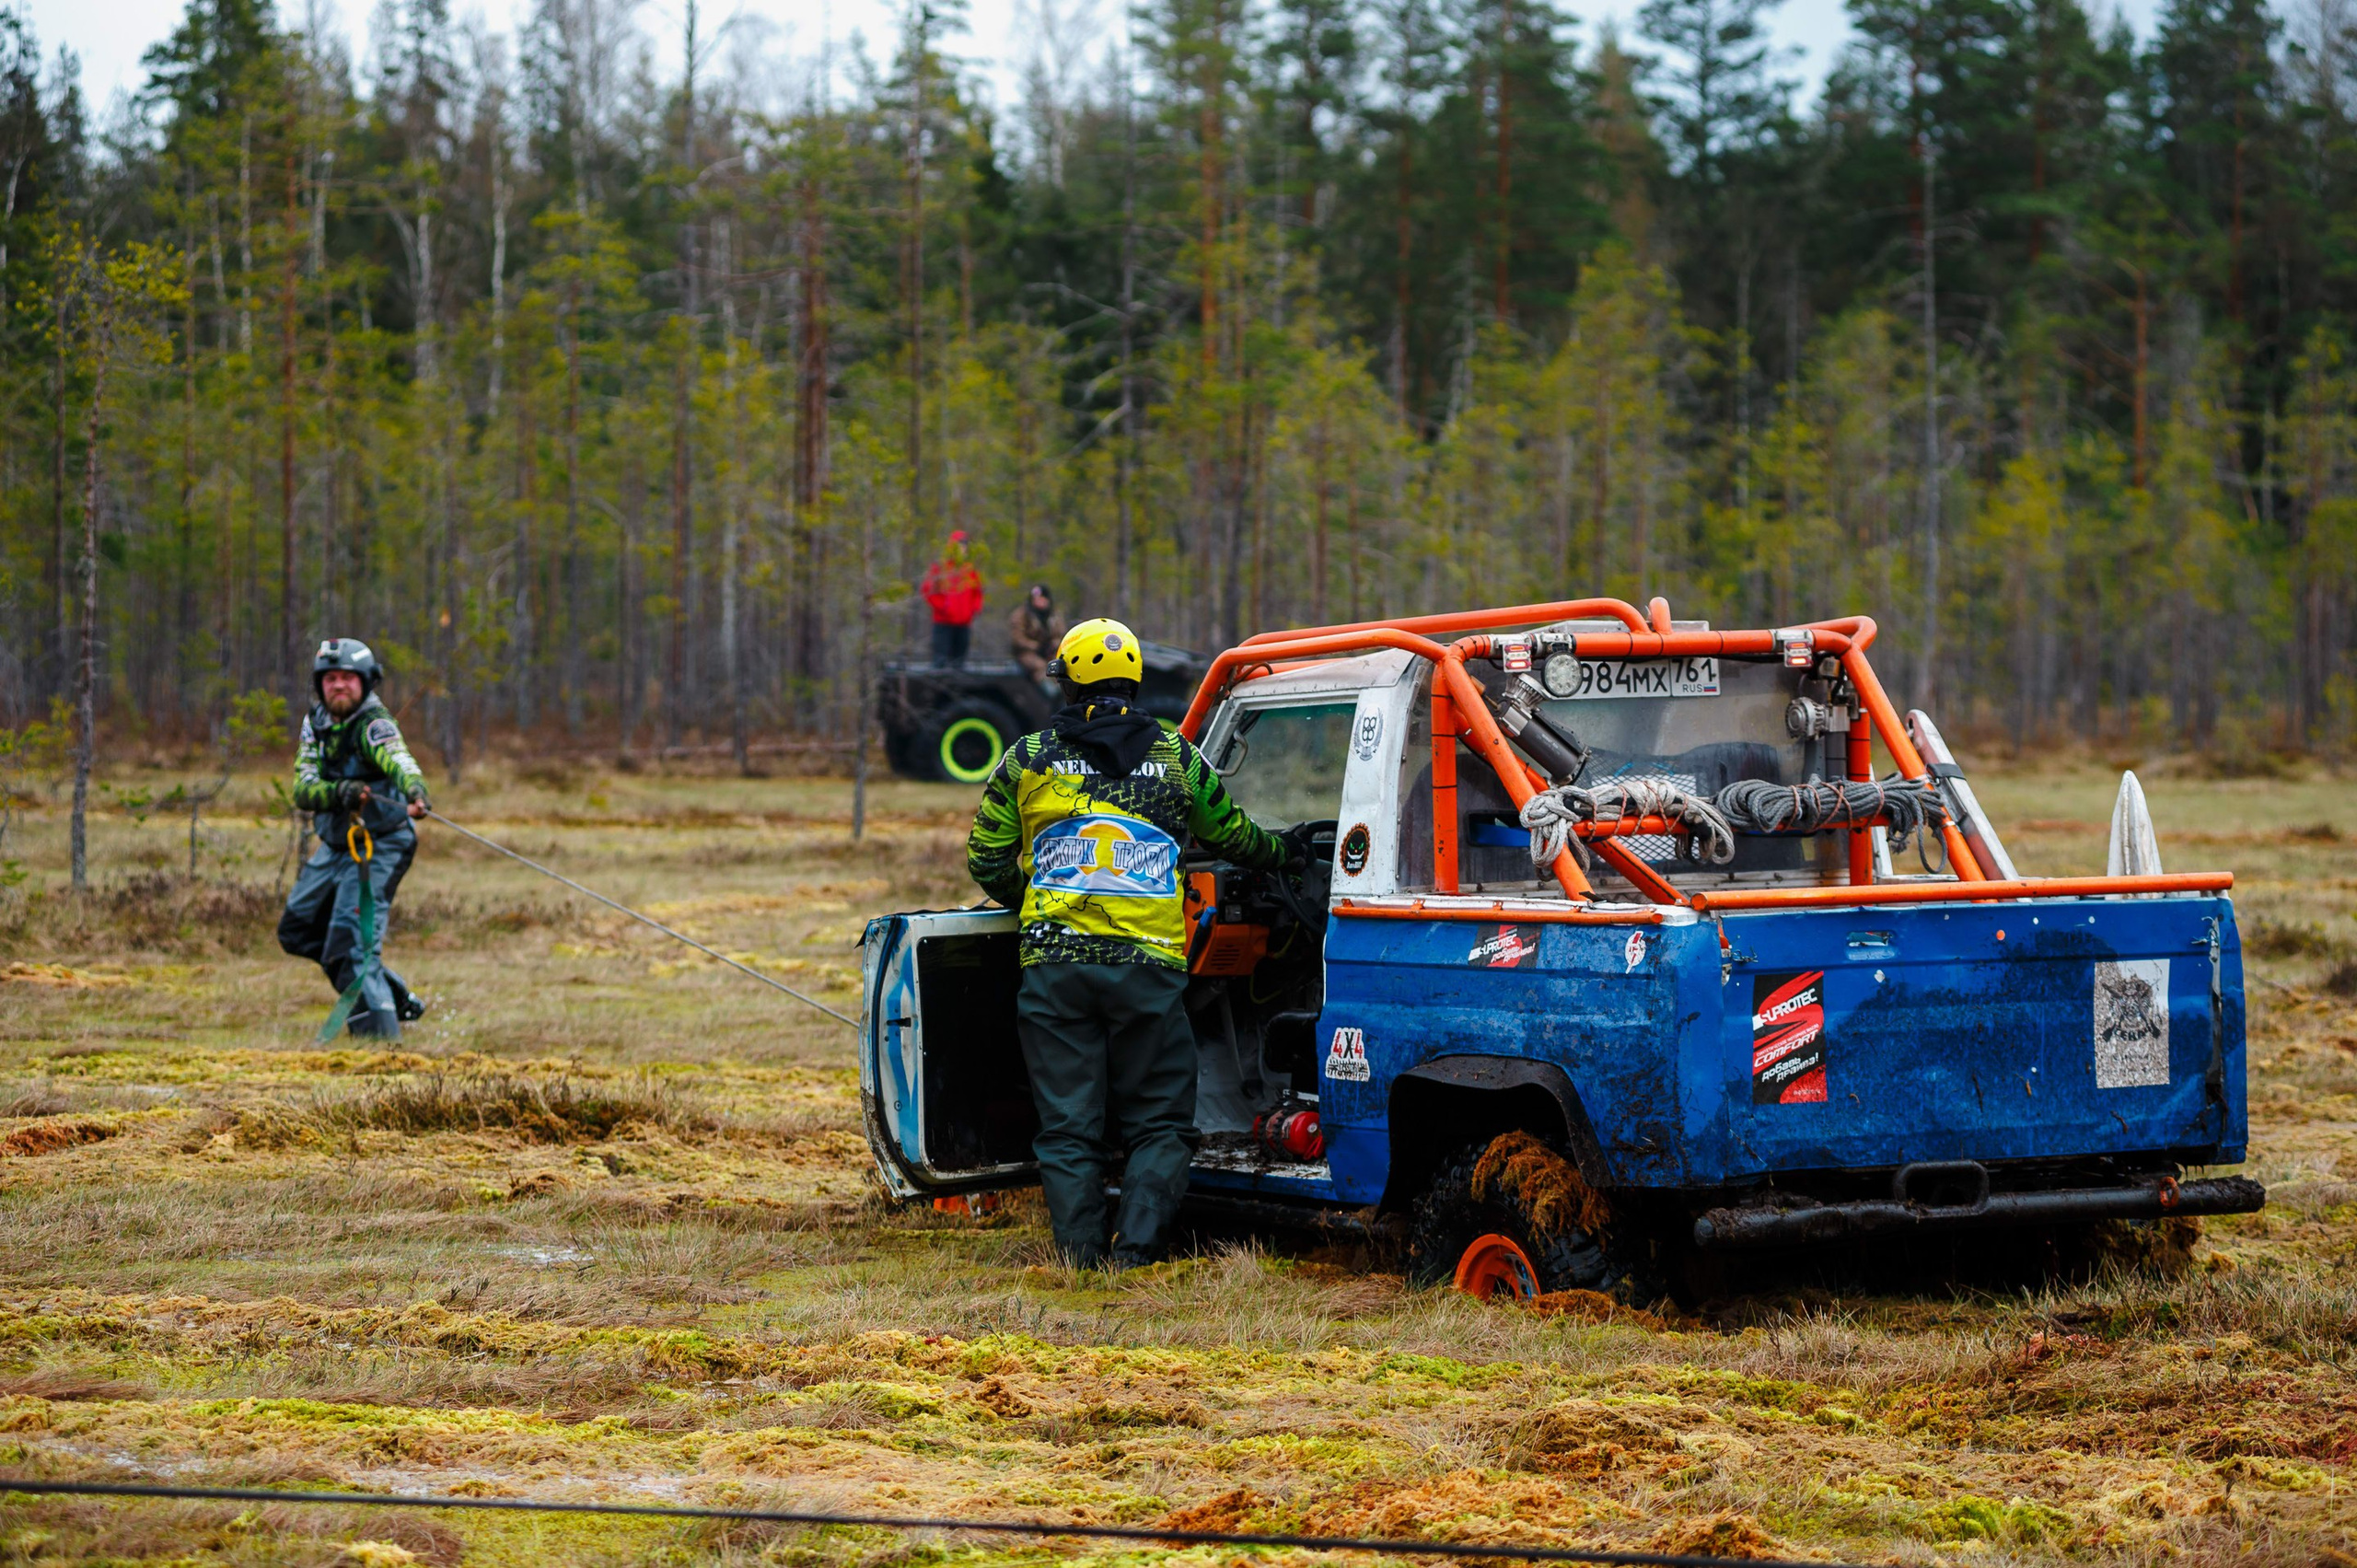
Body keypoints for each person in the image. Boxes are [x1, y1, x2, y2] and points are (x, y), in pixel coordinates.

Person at [966, 618, 1304, 1269]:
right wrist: (1286, 853)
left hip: (1055, 971)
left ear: (1067, 683)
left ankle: (1081, 1262)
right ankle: (1138, 1255)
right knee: (1162, 1122)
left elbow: (986, 857)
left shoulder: (1028, 758)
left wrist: (1035, 906)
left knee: (1069, 1126)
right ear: (1135, 681)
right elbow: (1234, 837)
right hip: (1149, 971)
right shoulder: (1177, 757)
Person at [277, 638, 430, 1040]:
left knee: (351, 945)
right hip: (335, 846)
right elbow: (303, 789)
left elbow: (398, 759)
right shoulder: (315, 723)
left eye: (347, 678)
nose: (339, 685)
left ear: (365, 682)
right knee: (297, 931)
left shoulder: (374, 724)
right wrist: (340, 792)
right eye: (330, 678)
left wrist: (415, 791)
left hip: (381, 845)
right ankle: (396, 998)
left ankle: (379, 1046)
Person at [919, 531, 983, 668]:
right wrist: (944, 607)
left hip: (964, 624)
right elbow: (928, 591)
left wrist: (973, 610)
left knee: (960, 664)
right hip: (943, 623)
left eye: (965, 545)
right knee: (940, 664)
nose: (963, 548)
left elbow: (977, 593)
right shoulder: (940, 568)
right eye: (960, 545)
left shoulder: (969, 570)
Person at [1008, 583, 1065, 691]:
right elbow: (1017, 638)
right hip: (1027, 653)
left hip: (1050, 651)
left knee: (1059, 664)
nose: (1039, 602)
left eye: (1041, 599)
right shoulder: (1022, 615)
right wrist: (1035, 646)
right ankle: (1050, 692)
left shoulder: (1054, 615)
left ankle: (1063, 690)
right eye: (1036, 599)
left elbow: (1060, 634)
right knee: (1040, 667)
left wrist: (1053, 644)